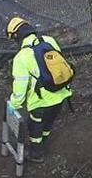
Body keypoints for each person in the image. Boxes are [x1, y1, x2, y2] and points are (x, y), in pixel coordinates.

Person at [6, 17, 71, 163]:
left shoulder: (22, 57)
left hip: (41, 101)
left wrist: (14, 105)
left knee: (35, 126)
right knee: (48, 122)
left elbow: (20, 87)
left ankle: (36, 153)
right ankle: (44, 141)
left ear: (16, 36)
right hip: (61, 93)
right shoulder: (49, 40)